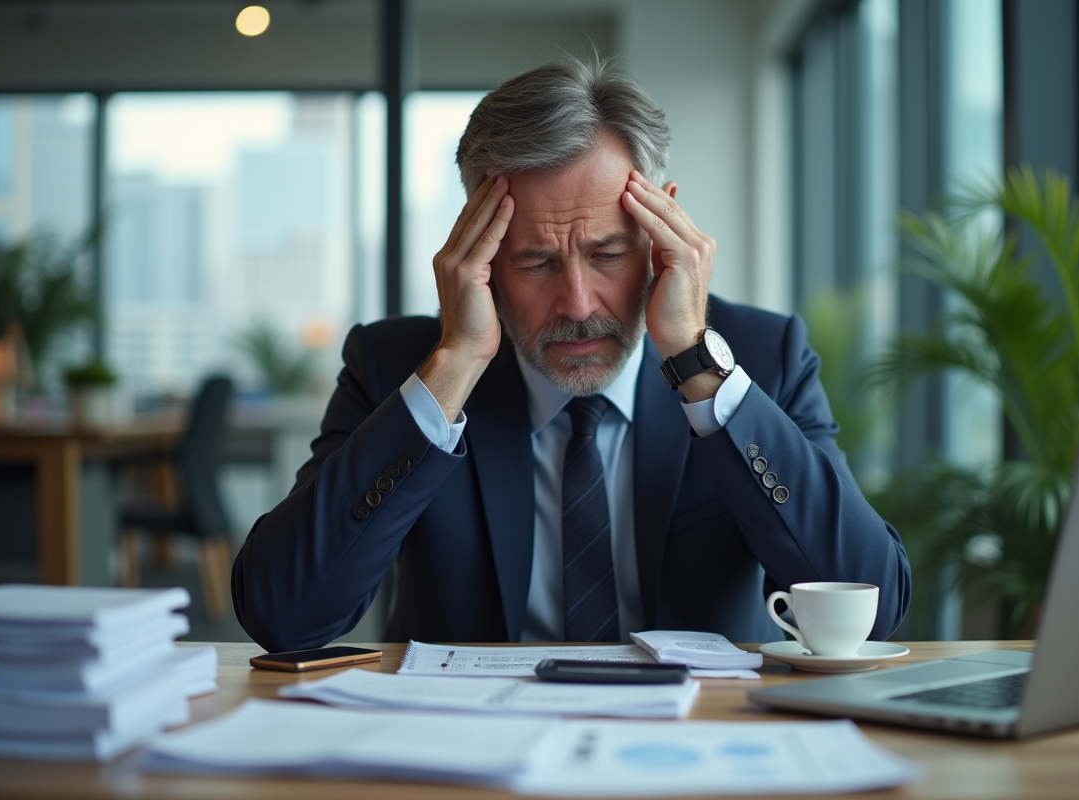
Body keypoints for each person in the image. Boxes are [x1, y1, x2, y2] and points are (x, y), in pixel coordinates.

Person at [232, 55, 911, 652]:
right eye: (535, 263)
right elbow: (284, 615)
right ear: (483, 258)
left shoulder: (761, 357)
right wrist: (456, 364)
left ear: (662, 235)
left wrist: (700, 370)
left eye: (608, 254)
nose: (579, 303)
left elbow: (873, 605)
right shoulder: (398, 368)